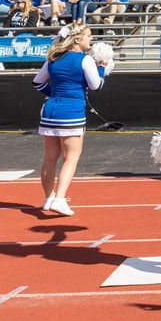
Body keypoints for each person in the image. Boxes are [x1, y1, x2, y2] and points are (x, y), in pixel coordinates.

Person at [32, 24, 105, 216]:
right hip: (71, 111)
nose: (91, 39)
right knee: (71, 157)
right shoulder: (85, 59)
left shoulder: (53, 58)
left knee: (49, 158)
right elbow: (96, 86)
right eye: (88, 36)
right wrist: (103, 69)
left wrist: (52, 93)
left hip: (51, 111)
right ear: (77, 39)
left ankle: (48, 198)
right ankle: (60, 198)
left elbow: (37, 82)